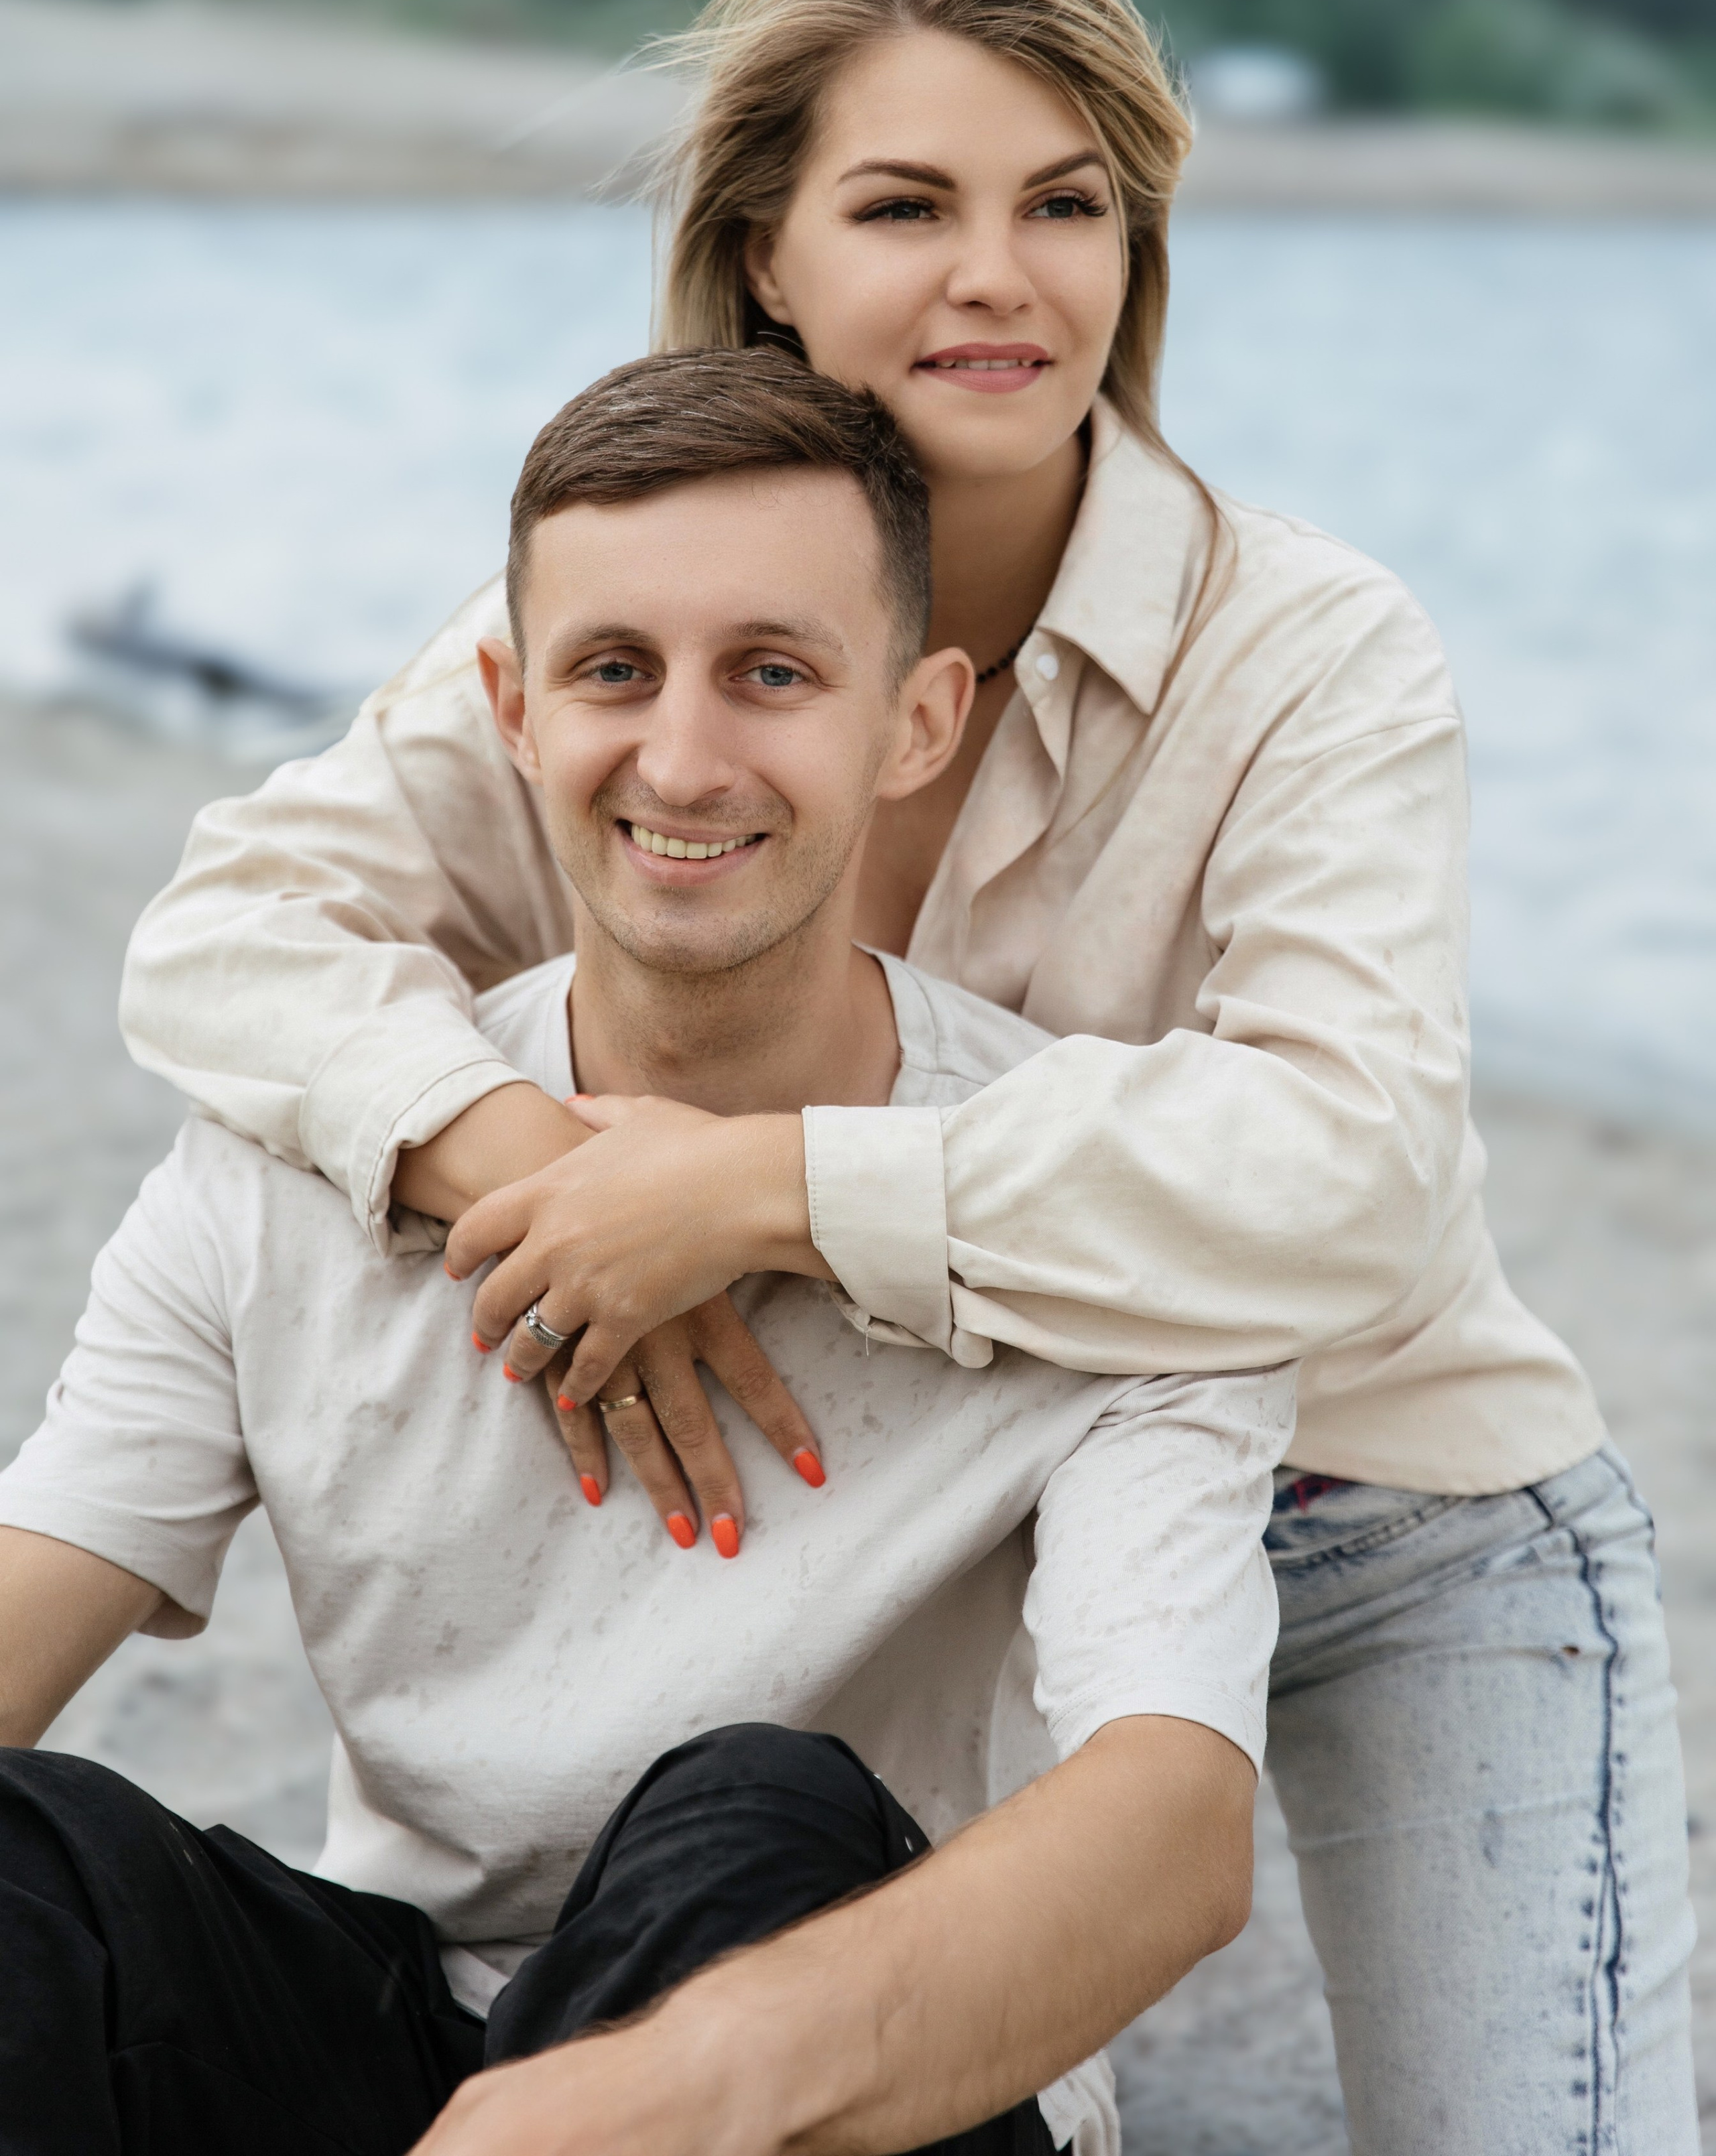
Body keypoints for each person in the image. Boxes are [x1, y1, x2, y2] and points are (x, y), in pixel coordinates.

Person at [119, 0, 1697, 2150]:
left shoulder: (1316, 656)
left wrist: (754, 1191)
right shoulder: (651, 620)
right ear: (768, 248)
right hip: (943, 1534)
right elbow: (227, 932)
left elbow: (1348, 1184)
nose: (1002, 273)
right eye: (907, 203)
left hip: (1388, 1516)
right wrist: (535, 1175)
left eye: (1070, 202)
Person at [0, 348, 1287, 2156]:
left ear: (916, 724)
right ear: (512, 710)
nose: (682, 756)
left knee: (756, 1820)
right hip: (400, 2021)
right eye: (617, 671)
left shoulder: (1088, 1197)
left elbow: (1173, 1834)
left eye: (773, 673)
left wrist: (657, 2091)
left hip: (840, 2070)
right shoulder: (308, 1149)